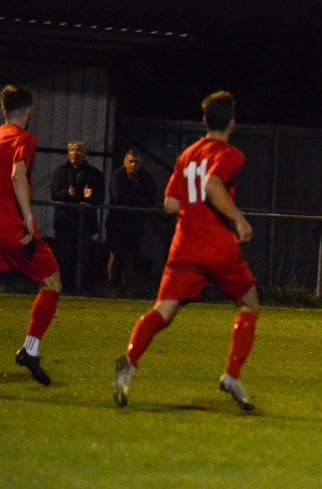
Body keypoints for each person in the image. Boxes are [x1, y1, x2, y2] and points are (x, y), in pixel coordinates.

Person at [113, 90, 259, 412]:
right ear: (231, 123)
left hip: (184, 245)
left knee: (163, 311)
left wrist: (192, 211)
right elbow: (212, 184)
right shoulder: (231, 154)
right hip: (217, 244)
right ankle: (232, 375)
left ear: (204, 120)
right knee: (249, 304)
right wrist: (239, 219)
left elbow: (170, 203)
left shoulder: (187, 154)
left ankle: (130, 361)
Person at [0, 85, 62, 385]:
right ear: (29, 112)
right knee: (51, 282)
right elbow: (17, 175)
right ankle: (30, 350)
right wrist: (28, 219)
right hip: (9, 227)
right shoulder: (23, 139)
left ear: (3, 111)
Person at [50, 140, 105, 293]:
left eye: (78, 150)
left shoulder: (94, 173)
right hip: (65, 223)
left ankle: (80, 289)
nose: (75, 153)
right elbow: (54, 194)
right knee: (63, 257)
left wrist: (90, 196)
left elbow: (100, 197)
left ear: (84, 154)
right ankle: (62, 288)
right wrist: (67, 194)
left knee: (82, 258)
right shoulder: (60, 172)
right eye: (72, 150)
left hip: (84, 223)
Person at [106, 148, 157, 284]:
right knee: (115, 254)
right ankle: (111, 285)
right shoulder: (118, 175)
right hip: (117, 221)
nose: (133, 165)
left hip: (135, 222)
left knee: (130, 255)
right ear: (125, 162)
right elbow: (117, 197)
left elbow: (151, 199)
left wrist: (132, 200)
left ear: (140, 163)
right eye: (130, 161)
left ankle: (126, 286)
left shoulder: (146, 177)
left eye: (136, 162)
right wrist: (139, 200)